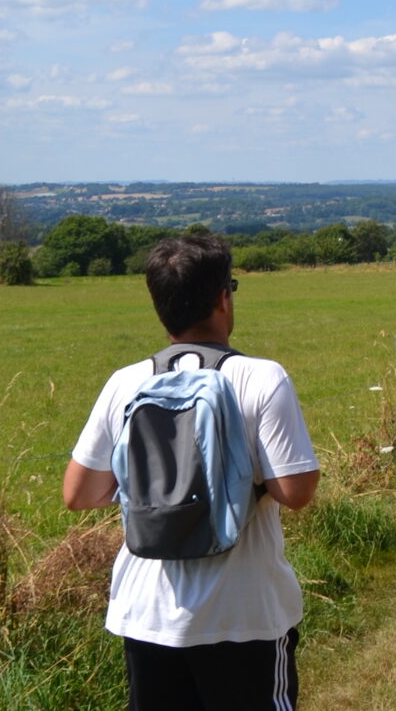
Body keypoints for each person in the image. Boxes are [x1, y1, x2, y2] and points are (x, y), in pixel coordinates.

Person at [63, 235, 319, 711]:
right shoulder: (262, 378)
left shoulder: (126, 382)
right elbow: (296, 490)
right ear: (224, 297)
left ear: (160, 306)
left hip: (148, 614)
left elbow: (79, 493)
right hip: (244, 613)